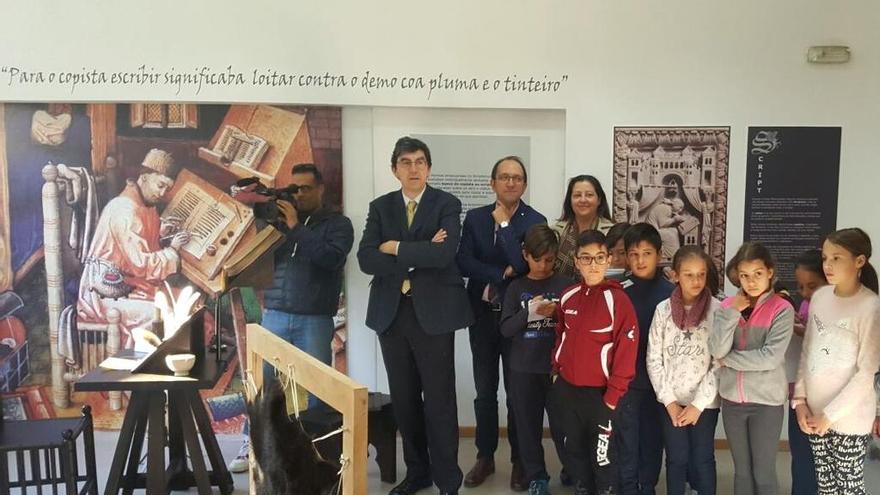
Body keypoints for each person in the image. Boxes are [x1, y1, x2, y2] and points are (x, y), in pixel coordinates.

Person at [358, 136, 474, 495]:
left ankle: (448, 480)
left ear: (429, 168)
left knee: (439, 402)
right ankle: (418, 472)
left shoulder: (446, 203)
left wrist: (393, 247)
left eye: (420, 161)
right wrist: (421, 249)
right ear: (395, 169)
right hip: (391, 317)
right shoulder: (381, 207)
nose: (414, 168)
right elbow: (366, 259)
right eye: (406, 162)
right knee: (405, 401)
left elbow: (444, 255)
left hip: (434, 316)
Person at [228, 163, 354, 473]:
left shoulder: (339, 224)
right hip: (275, 315)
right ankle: (254, 444)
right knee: (264, 387)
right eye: (293, 188)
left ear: (321, 189)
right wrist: (261, 206)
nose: (298, 194)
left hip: (314, 318)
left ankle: (318, 452)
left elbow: (331, 258)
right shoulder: (280, 222)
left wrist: (297, 226)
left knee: (320, 392)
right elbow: (261, 244)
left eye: (305, 188)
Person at [456, 155, 546, 491]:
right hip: (481, 317)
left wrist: (506, 229)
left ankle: (520, 460)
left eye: (517, 177)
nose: (511, 182)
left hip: (518, 319)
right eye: (504, 177)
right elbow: (463, 261)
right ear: (492, 183)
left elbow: (527, 265)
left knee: (517, 393)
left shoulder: (534, 220)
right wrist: (499, 273)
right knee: (484, 392)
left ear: (524, 184)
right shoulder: (477, 218)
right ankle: (485, 455)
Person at [551, 229, 639, 495]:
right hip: (569, 392)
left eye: (599, 257)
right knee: (575, 454)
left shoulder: (619, 300)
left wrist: (612, 398)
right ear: (576, 261)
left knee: (603, 460)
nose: (593, 264)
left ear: (609, 259)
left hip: (602, 397)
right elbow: (560, 337)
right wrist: (556, 371)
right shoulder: (567, 296)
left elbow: (627, 352)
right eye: (586, 258)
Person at [793, 228, 880, 495]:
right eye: (825, 258)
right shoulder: (820, 297)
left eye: (837, 258)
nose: (828, 265)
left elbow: (866, 373)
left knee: (849, 486)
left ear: (859, 261)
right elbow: (807, 353)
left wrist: (829, 417)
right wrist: (799, 402)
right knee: (826, 486)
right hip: (814, 415)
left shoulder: (870, 307)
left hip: (848, 419)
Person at [77, 148, 190, 346]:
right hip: (105, 293)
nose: (163, 193)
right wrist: (172, 250)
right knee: (167, 314)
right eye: (161, 185)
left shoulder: (143, 204)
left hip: (127, 285)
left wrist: (161, 231)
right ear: (144, 177)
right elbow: (140, 264)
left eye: (167, 189)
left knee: (188, 302)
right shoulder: (124, 210)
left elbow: (137, 243)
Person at [708, 242, 794, 495]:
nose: (751, 281)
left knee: (763, 471)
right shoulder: (726, 308)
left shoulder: (781, 309)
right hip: (733, 401)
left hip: (766, 403)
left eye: (757, 273)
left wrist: (727, 360)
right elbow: (716, 349)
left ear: (770, 272)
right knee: (742, 471)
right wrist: (733, 312)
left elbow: (769, 358)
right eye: (744, 275)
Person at [499, 224, 572, 495]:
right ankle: (536, 477)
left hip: (558, 370)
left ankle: (572, 469)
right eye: (537, 259)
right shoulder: (516, 287)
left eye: (550, 260)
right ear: (525, 255)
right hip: (523, 370)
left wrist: (557, 314)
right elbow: (505, 329)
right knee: (528, 428)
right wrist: (527, 314)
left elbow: (578, 326)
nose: (543, 266)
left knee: (565, 426)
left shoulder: (565, 285)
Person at [646, 246, 721, 495]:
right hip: (672, 402)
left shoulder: (718, 311)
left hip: (704, 404)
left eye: (701, 274)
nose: (696, 281)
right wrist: (669, 401)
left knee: (702, 458)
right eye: (689, 275)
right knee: (676, 458)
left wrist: (699, 403)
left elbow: (720, 361)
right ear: (675, 275)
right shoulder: (663, 310)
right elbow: (654, 359)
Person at [615, 223, 674, 495]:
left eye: (647, 253)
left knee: (653, 439)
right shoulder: (618, 290)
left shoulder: (671, 292)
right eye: (634, 254)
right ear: (626, 256)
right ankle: (628, 487)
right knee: (626, 439)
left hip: (659, 383)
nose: (640, 260)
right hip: (626, 381)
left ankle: (647, 485)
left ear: (659, 254)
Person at [785, 249, 826, 495]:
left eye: (812, 286)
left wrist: (799, 329)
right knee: (800, 456)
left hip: (819, 394)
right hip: (797, 391)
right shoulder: (807, 304)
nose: (805, 293)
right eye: (800, 287)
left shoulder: (831, 310)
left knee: (816, 460)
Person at [552, 175, 614, 281]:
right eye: (577, 195)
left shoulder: (611, 232)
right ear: (570, 201)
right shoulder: (556, 231)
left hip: (599, 293)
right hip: (562, 294)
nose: (583, 200)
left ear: (599, 200)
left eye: (589, 195)